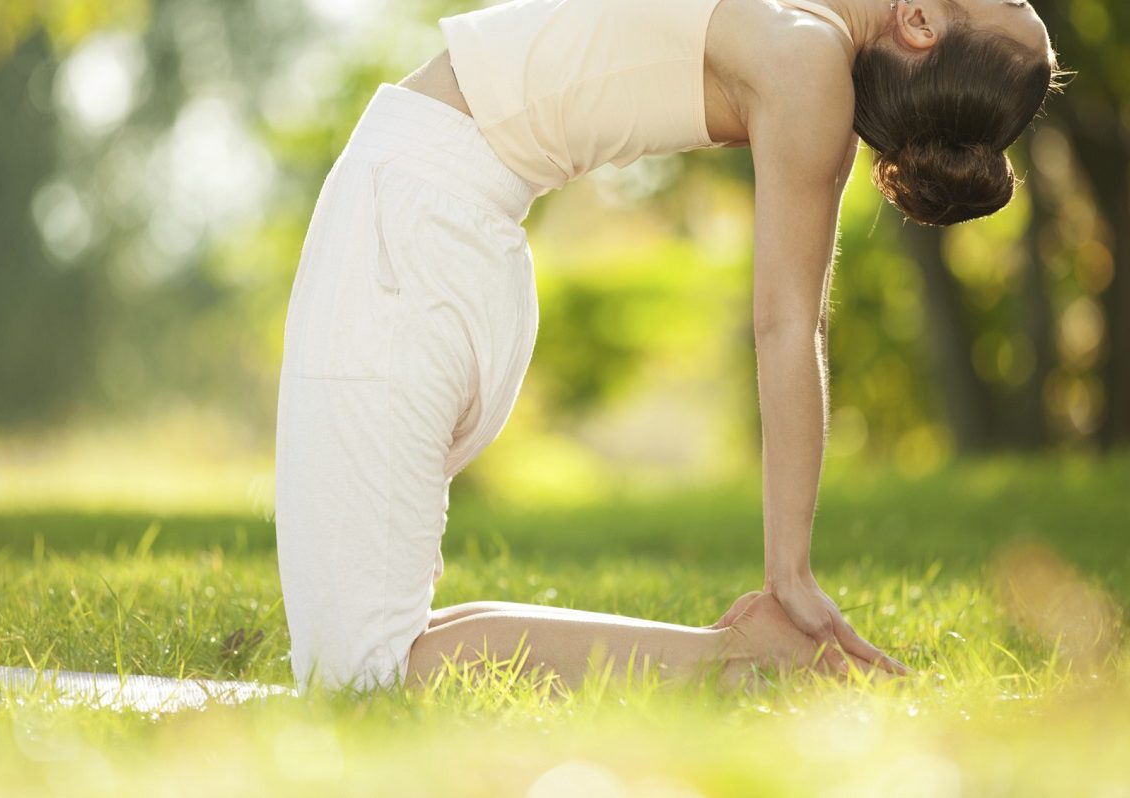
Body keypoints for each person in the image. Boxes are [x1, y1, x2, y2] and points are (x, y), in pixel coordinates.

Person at [275, 0, 1064, 694]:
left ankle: (742, 665)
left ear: (921, 21)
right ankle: (735, 660)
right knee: (371, 650)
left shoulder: (804, 59)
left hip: (421, 225)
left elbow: (791, 324)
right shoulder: (800, 36)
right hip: (433, 221)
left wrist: (786, 570)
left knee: (361, 676)